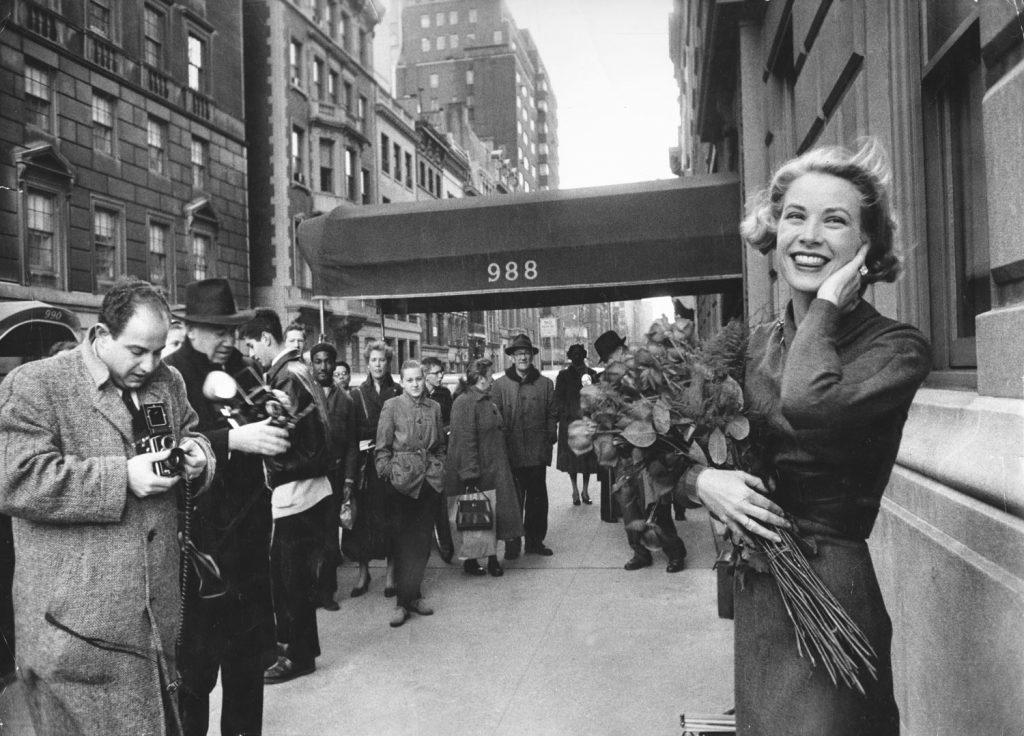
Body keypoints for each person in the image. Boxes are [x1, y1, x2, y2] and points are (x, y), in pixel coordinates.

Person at [680, 140, 931, 734]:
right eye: (795, 216)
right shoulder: (750, 344)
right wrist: (704, 481)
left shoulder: (897, 348)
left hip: (832, 590)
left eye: (835, 220)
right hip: (761, 592)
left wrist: (823, 308)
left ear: (866, 247)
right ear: (773, 231)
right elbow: (666, 452)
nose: (810, 235)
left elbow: (810, 403)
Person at [0, 277, 213, 735]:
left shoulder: (167, 382)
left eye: (158, 351)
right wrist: (123, 477)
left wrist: (198, 454)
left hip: (154, 624)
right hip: (75, 635)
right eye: (137, 351)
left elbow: (190, 431)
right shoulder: (37, 385)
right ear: (100, 335)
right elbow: (15, 480)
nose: (150, 364)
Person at [164, 278, 291, 735]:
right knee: (194, 681)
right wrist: (233, 440)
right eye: (218, 331)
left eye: (232, 331)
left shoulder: (240, 369)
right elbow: (167, 451)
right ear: (191, 328)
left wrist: (274, 410)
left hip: (249, 550)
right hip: (202, 554)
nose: (228, 341)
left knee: (247, 675)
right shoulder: (169, 376)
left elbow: (274, 424)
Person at [239, 309, 331, 685]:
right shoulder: (298, 370)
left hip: (295, 490)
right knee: (297, 576)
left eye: (251, 344)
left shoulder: (281, 379)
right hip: (313, 487)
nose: (251, 353)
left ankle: (297, 656)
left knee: (288, 578)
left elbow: (281, 441)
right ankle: (301, 648)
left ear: (265, 338)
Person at [595, 330, 688, 574]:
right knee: (628, 508)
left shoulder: (644, 372)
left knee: (657, 507)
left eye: (608, 357)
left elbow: (662, 407)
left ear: (620, 351)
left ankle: (675, 552)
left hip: (650, 453)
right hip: (624, 456)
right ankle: (640, 552)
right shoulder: (606, 380)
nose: (608, 364)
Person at [375, 360, 446, 627]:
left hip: (429, 480)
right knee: (404, 541)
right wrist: (389, 473)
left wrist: (439, 469)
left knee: (422, 541)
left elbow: (440, 444)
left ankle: (414, 596)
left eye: (419, 379)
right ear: (402, 382)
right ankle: (402, 603)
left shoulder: (435, 407)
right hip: (402, 482)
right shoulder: (392, 407)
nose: (416, 384)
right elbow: (381, 448)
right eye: (410, 380)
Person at [444, 359, 524, 577]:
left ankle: (491, 560)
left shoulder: (487, 400)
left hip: (494, 468)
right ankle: (473, 561)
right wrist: (470, 475)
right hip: (478, 471)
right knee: (477, 515)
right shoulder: (464, 402)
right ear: (480, 378)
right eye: (490, 375)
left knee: (493, 516)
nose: (493, 378)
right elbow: (464, 440)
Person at [492, 334, 557, 558]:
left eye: (526, 354)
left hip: (537, 453)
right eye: (518, 354)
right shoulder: (499, 385)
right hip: (511, 453)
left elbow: (552, 414)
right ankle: (512, 543)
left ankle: (535, 542)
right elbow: (495, 418)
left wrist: (549, 438)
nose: (523, 357)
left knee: (538, 500)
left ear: (532, 357)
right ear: (511, 358)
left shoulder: (545, 384)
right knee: (512, 500)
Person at [346, 340, 401, 597]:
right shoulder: (356, 395)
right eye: (374, 360)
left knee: (391, 519)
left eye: (382, 360)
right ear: (367, 363)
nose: (378, 365)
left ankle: (391, 574)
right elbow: (352, 435)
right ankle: (363, 573)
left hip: (390, 466)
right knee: (363, 521)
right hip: (366, 468)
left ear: (388, 362)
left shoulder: (398, 391)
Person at [309, 342, 360, 611]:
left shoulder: (346, 400)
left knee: (330, 536)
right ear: (312, 364)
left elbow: (352, 444)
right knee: (308, 535)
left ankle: (326, 592)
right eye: (318, 361)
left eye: (328, 361)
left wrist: (349, 481)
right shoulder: (304, 395)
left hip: (335, 475)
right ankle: (308, 589)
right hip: (308, 476)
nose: (324, 367)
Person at [554, 344, 598, 506]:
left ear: (584, 355)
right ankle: (574, 490)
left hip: (586, 422)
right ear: (570, 356)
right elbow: (558, 398)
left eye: (580, 353)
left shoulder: (592, 375)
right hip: (570, 422)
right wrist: (567, 414)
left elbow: (597, 397)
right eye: (574, 354)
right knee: (572, 460)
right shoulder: (563, 375)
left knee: (586, 458)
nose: (577, 356)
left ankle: (585, 490)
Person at [422, 355, 455, 563]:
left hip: (441, 452)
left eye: (442, 372)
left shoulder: (444, 394)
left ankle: (445, 543)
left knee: (442, 499)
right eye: (437, 373)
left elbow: (451, 419)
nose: (441, 376)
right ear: (425, 375)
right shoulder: (416, 393)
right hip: (421, 453)